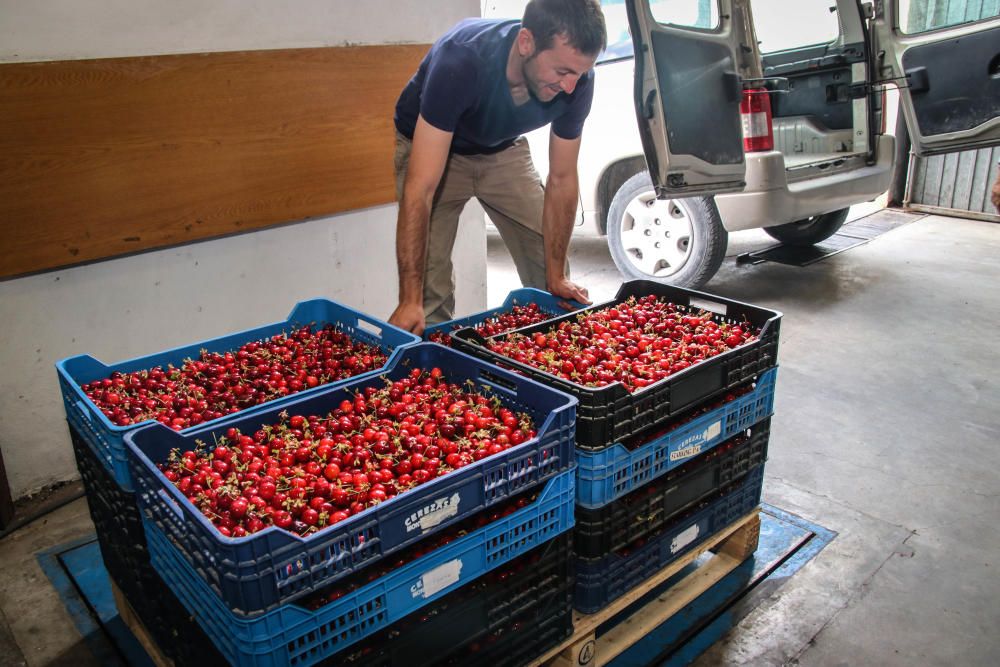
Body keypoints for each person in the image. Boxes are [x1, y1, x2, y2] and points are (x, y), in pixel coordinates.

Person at [388, 0, 607, 335]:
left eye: (579, 73)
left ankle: (548, 364)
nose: (570, 87)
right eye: (562, 72)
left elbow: (562, 178)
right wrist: (408, 300)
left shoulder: (578, 82)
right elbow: (421, 189)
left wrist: (557, 275)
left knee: (547, 258)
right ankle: (432, 361)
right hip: (437, 150)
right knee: (427, 288)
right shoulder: (461, 61)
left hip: (503, 148)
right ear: (526, 43)